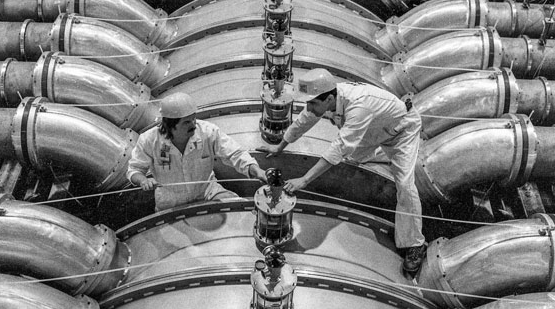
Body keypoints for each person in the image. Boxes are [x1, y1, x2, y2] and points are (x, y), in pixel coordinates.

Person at [263, 69, 427, 276]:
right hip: (373, 130)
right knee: (352, 157)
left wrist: (304, 180)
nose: (309, 108)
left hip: (400, 132)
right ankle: (379, 154)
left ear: (330, 98)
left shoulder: (359, 106)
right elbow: (304, 121)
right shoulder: (326, 100)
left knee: (404, 183)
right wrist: (280, 146)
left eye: (312, 104)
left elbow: (338, 148)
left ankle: (415, 244)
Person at [127, 91, 267, 210]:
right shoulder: (149, 140)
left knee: (239, 208)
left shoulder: (207, 132)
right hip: (170, 203)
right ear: (170, 125)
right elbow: (134, 170)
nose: (193, 125)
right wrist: (143, 180)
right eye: (186, 122)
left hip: (207, 192)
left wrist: (257, 171)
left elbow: (235, 153)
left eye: (193, 119)